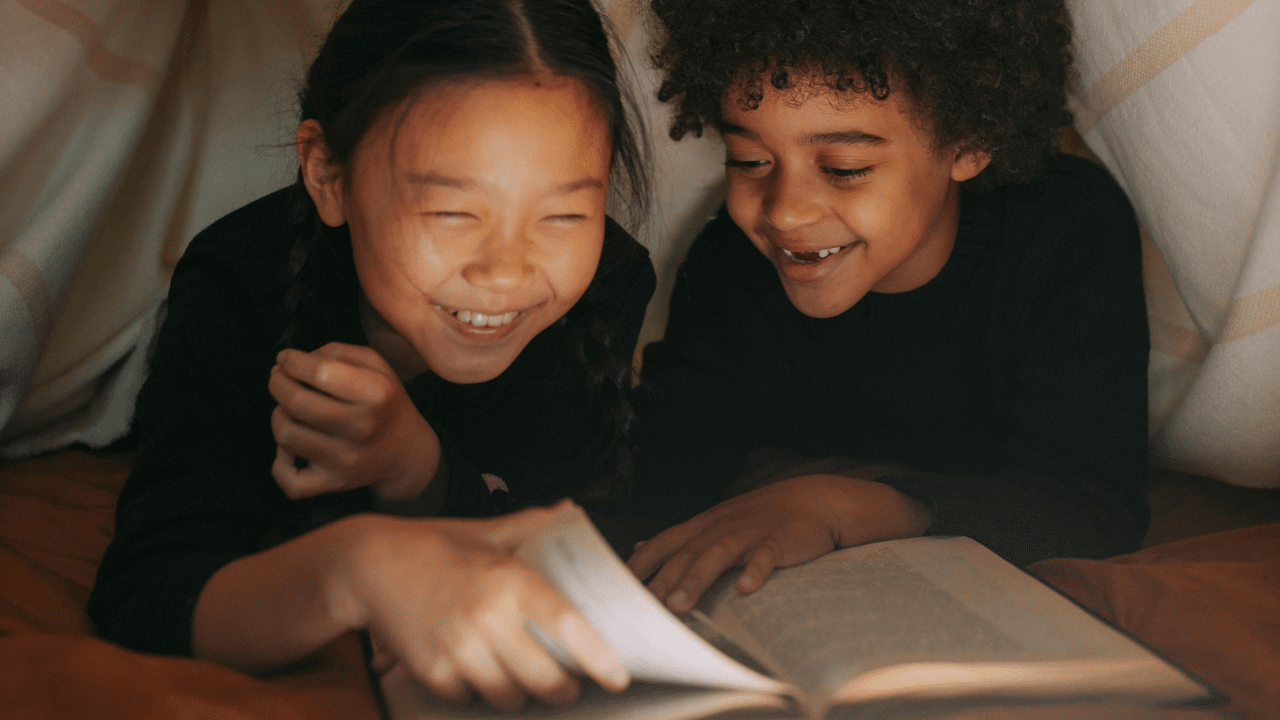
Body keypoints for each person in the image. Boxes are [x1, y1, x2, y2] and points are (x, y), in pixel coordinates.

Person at [87, 0, 656, 710]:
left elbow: (561, 532)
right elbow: (149, 595)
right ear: (328, 174)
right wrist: (353, 569)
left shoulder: (604, 289)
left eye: (565, 215)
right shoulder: (240, 284)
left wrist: (416, 471)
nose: (508, 273)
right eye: (452, 213)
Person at [625, 0, 1150, 614]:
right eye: (750, 162)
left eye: (845, 168)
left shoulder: (1064, 230)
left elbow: (1093, 508)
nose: (785, 211)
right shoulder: (729, 267)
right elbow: (660, 478)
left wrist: (846, 505)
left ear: (970, 139)